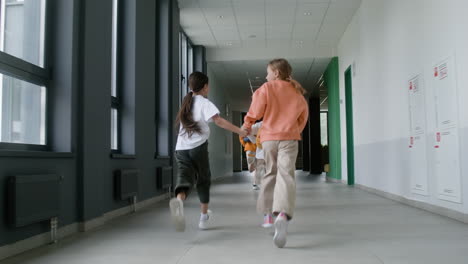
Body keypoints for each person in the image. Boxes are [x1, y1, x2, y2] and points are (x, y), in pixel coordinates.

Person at [170, 71, 248, 232]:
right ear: (205, 87)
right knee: (203, 179)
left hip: (180, 149)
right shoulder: (204, 102)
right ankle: (203, 218)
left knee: (184, 178)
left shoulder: (186, 103)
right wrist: (240, 131)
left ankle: (179, 200)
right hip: (198, 147)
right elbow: (218, 120)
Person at [243, 58, 309, 248]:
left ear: (276, 73)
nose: (266, 76)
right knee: (286, 174)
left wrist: (247, 124)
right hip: (290, 138)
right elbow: (303, 117)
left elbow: (255, 110)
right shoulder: (297, 92)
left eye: (268, 72)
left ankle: (267, 216)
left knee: (270, 173)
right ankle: (282, 213)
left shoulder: (267, 88)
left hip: (269, 138)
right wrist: (294, 129)